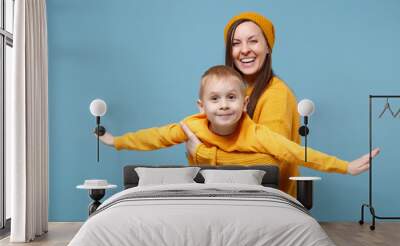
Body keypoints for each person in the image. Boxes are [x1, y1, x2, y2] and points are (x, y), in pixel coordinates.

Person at [98, 65, 379, 176]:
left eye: (231, 98)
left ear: (244, 103)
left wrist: (345, 166)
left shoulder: (255, 133)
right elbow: (154, 137)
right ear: (202, 106)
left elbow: (296, 152)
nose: (223, 106)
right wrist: (116, 141)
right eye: (215, 99)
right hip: (205, 184)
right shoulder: (191, 125)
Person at [184, 12, 302, 197]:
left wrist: (204, 154)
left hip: (267, 205)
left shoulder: (276, 94)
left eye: (253, 41)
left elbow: (268, 164)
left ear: (268, 47)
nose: (244, 50)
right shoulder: (228, 94)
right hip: (231, 200)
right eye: (236, 43)